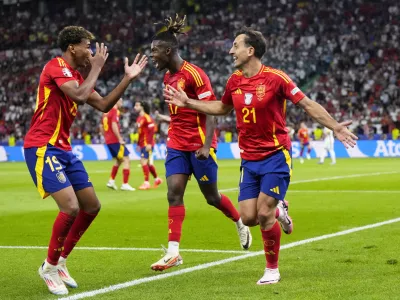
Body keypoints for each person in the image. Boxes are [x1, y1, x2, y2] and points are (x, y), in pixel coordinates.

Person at [164, 26, 357, 284]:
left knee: (264, 212)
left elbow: (307, 104)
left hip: (276, 155)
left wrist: (334, 127)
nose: (231, 50)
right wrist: (188, 103)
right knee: (249, 217)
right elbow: (221, 108)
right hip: (249, 159)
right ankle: (281, 210)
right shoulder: (234, 80)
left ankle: (272, 269)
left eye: (236, 45)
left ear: (250, 50)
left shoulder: (277, 79)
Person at [23, 26, 147, 295]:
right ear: (72, 48)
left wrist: (127, 79)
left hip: (63, 149)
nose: (92, 52)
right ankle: (49, 267)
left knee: (91, 206)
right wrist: (98, 68)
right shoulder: (55, 67)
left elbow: (103, 105)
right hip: (42, 147)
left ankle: (61, 261)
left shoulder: (77, 75)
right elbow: (79, 95)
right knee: (70, 207)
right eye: (88, 47)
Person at [149, 15, 259, 272]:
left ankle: (239, 221)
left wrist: (206, 145)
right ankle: (173, 252)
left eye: (155, 51)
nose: (152, 56)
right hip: (176, 143)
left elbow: (212, 110)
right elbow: (179, 112)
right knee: (173, 192)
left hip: (199, 145)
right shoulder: (168, 77)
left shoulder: (195, 75)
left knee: (212, 197)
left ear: (168, 51)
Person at [102, 98, 135, 191]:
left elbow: (101, 126)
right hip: (115, 140)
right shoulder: (115, 110)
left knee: (119, 160)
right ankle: (125, 184)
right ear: (116, 101)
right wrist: (120, 138)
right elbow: (114, 125)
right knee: (126, 159)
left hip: (109, 140)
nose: (122, 103)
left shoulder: (105, 112)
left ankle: (111, 181)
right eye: (120, 101)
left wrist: (106, 137)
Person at [134, 100, 163, 189]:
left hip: (147, 144)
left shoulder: (147, 117)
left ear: (142, 107)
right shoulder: (139, 118)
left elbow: (152, 131)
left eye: (137, 105)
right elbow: (140, 133)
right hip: (142, 143)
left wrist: (149, 144)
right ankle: (157, 179)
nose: (135, 107)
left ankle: (146, 183)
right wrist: (138, 144)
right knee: (148, 164)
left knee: (143, 161)